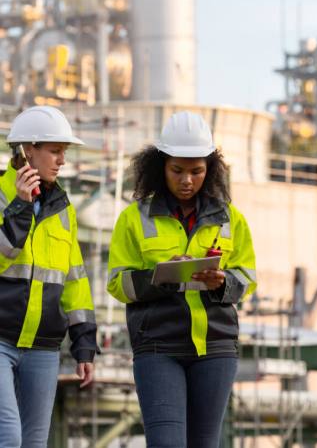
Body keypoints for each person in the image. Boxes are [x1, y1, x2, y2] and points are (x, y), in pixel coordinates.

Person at [108, 110, 257, 448]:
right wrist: (161, 277)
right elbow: (118, 284)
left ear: (210, 169)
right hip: (158, 347)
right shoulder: (134, 219)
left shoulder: (231, 219)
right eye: (177, 170)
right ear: (160, 166)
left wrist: (222, 282)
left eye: (197, 171)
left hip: (216, 349)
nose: (187, 180)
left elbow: (247, 279)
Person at [0, 105, 98, 448]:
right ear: (28, 150)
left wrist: (84, 344)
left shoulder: (63, 209)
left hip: (43, 347)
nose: (62, 160)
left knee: (34, 443)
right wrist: (20, 207)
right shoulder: (1, 195)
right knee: (8, 438)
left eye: (64, 152)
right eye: (55, 151)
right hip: (0, 340)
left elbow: (75, 282)